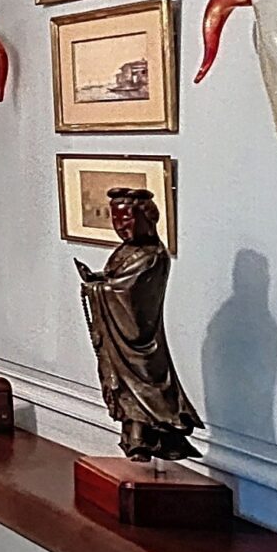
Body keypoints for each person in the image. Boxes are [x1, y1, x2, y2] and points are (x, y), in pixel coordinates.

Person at [74, 188, 202, 465]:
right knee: (122, 388)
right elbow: (117, 280)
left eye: (127, 221)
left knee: (144, 387)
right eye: (116, 221)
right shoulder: (126, 251)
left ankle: (147, 440)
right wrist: (98, 279)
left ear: (147, 219)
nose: (121, 228)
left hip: (139, 340)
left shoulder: (152, 255)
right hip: (118, 338)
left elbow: (128, 292)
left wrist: (98, 289)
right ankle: (135, 441)